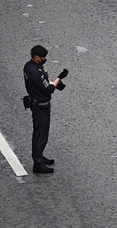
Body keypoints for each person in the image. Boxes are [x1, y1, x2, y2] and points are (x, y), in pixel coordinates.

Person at [23, 45, 68, 173]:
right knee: (40, 135)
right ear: (36, 57)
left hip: (38, 103)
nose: (45, 59)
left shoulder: (29, 66)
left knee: (42, 133)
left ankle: (40, 156)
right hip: (40, 107)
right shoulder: (35, 72)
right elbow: (48, 88)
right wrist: (59, 78)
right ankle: (37, 163)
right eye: (43, 57)